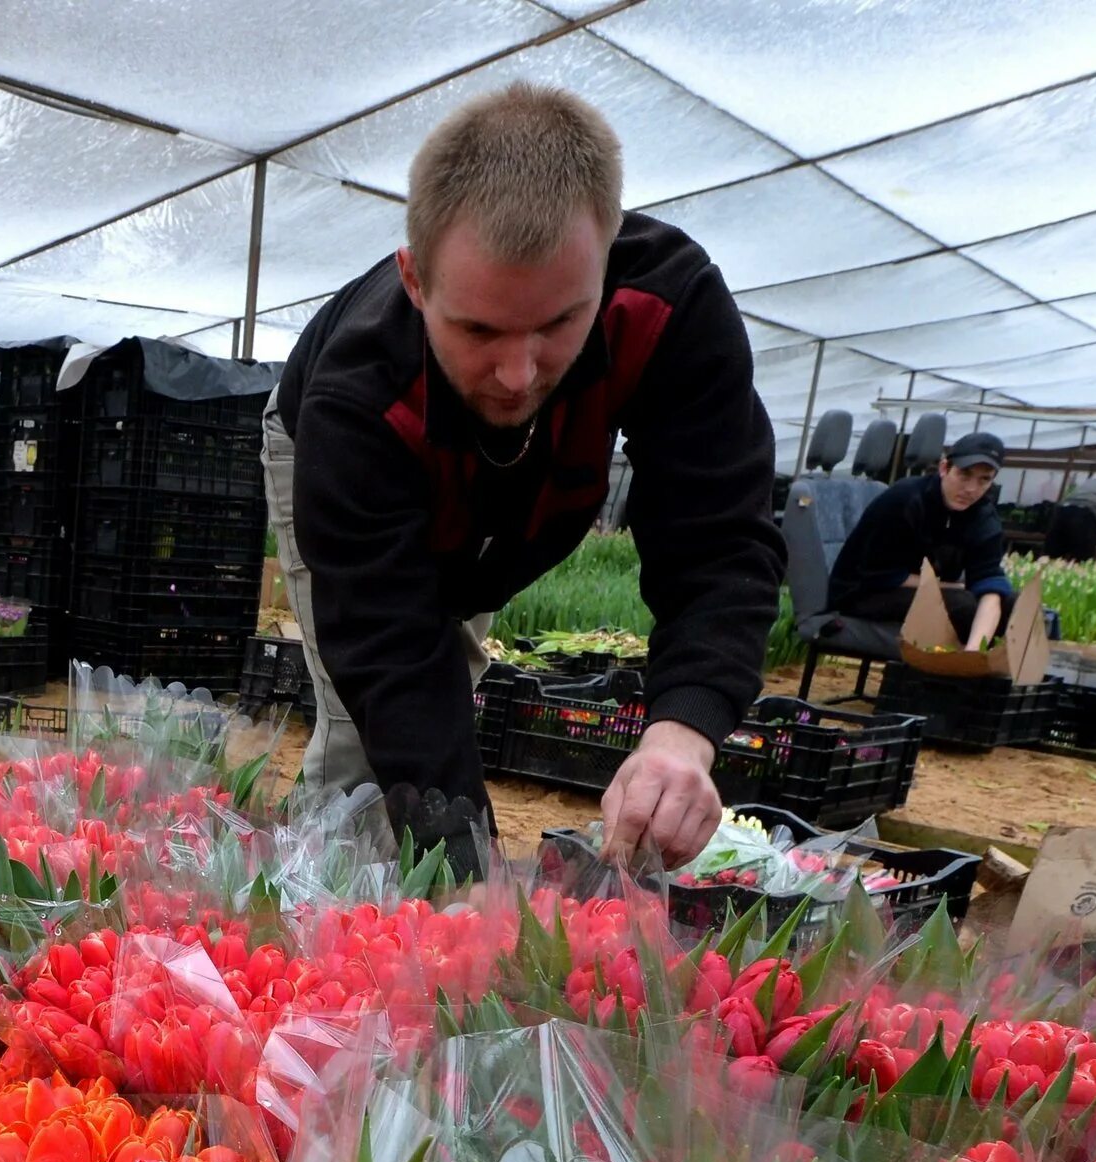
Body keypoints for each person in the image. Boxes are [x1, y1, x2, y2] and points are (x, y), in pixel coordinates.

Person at [263, 83, 784, 870]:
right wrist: (470, 873)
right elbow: (386, 646)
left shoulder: (671, 311)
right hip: (342, 459)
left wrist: (683, 732)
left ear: (604, 269)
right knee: (363, 744)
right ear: (414, 280)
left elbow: (719, 536)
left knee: (452, 689)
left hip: (499, 508)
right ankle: (326, 932)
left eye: (559, 323)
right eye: (478, 329)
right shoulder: (356, 398)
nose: (516, 372)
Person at [824, 431, 1016, 650]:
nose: (971, 489)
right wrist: (954, 586)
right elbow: (881, 575)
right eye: (964, 474)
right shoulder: (904, 499)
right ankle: (945, 675)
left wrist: (974, 650)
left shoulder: (983, 516)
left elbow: (989, 584)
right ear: (945, 468)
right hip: (864, 592)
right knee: (961, 605)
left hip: (921, 590)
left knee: (1012, 604)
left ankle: (971, 668)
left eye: (984, 480)